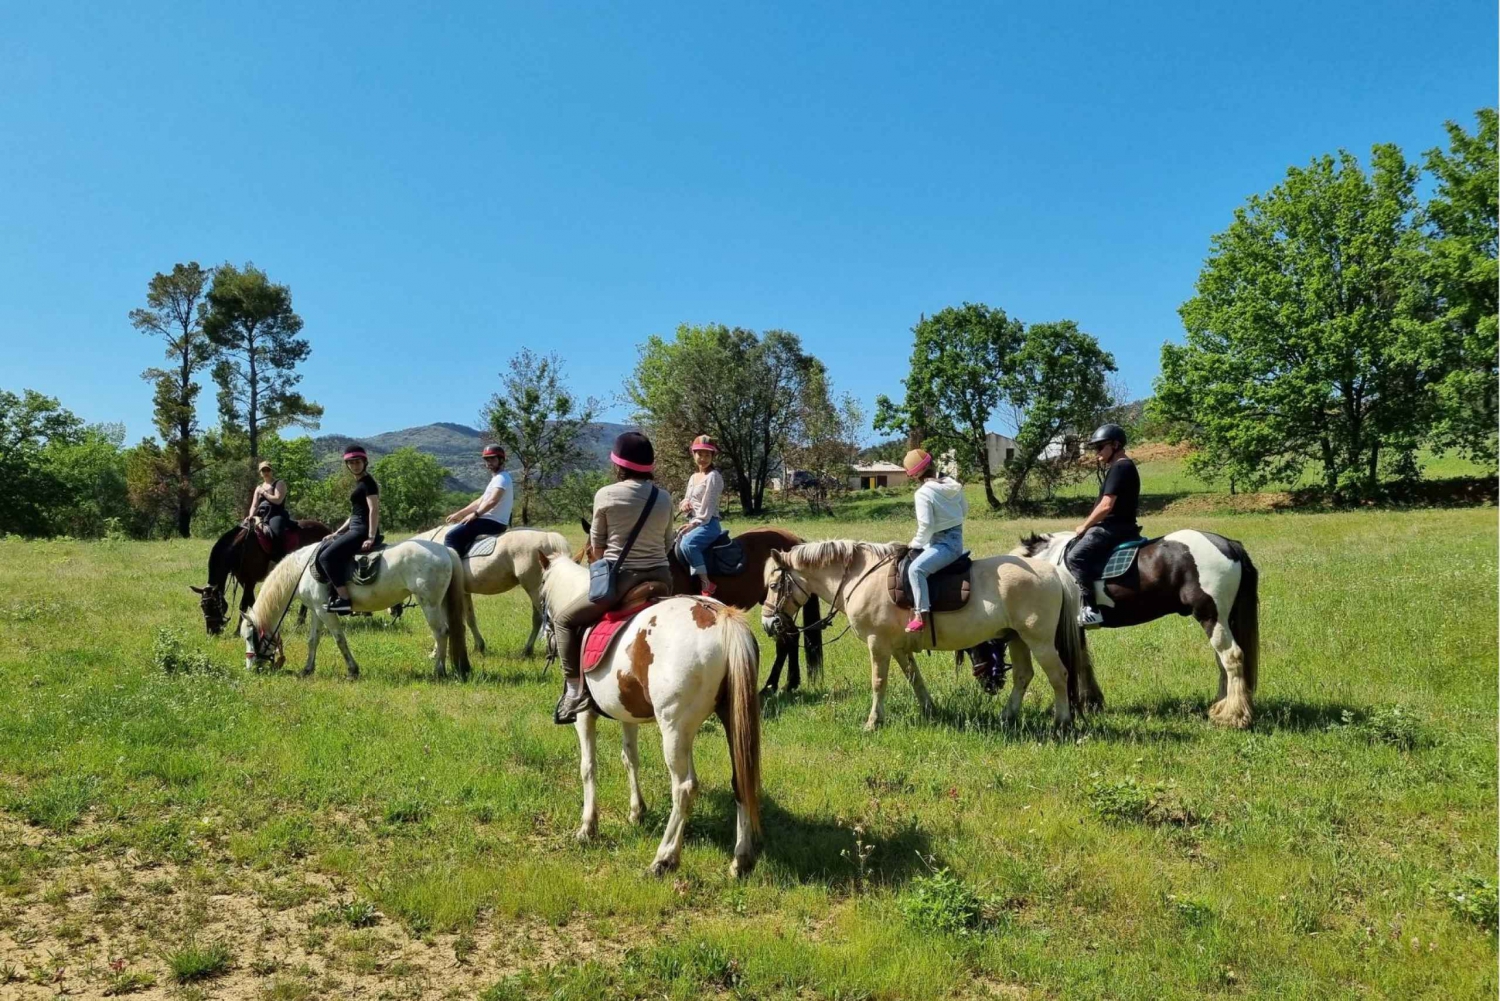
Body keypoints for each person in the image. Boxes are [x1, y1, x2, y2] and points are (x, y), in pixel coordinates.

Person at [553, 431, 674, 724]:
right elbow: (669, 543)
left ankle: (573, 691)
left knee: (564, 621)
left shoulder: (605, 495)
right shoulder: (664, 497)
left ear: (619, 466)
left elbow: (596, 546)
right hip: (663, 578)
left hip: (622, 581)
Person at [1065, 423, 1142, 629]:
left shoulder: (1120, 466)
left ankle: (1090, 609)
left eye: (1100, 447)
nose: (1097, 452)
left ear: (1115, 445)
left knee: (1076, 556)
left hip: (1112, 528)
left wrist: (1085, 525)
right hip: (1123, 526)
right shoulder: (1123, 466)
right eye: (1095, 448)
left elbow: (1106, 505)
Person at [902, 448, 968, 635]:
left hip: (942, 545)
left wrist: (914, 543)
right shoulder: (952, 485)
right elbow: (964, 511)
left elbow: (926, 525)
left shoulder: (923, 493)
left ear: (915, 475)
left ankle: (921, 616)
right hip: (957, 539)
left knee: (916, 569)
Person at [318, 445, 381, 615]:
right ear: (347, 465)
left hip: (361, 530)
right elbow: (354, 514)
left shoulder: (368, 483)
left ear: (365, 462)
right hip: (355, 526)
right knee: (326, 546)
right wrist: (337, 532)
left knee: (326, 557)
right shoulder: (359, 483)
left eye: (358, 462)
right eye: (351, 463)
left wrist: (371, 537)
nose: (355, 465)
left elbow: (374, 509)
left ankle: (344, 600)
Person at [676, 434, 724, 597]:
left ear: (712, 456)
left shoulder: (713, 477)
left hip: (708, 524)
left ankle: (706, 583)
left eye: (707, 454)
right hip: (694, 521)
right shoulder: (693, 477)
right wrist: (684, 504)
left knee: (688, 544)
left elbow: (708, 507)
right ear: (693, 454)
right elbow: (688, 498)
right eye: (700, 454)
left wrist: (693, 525)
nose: (703, 458)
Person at [443, 444, 513, 557]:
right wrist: (460, 513)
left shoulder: (501, 479)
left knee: (452, 536)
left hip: (492, 522)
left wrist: (475, 515)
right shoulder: (497, 478)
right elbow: (479, 501)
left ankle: (454, 570)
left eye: (493, 459)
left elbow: (493, 501)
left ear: (501, 460)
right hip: (490, 521)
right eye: (487, 459)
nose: (489, 462)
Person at [246, 460, 289, 550]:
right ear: (260, 473)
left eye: (268, 470)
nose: (266, 472)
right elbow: (254, 505)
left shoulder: (279, 483)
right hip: (261, 515)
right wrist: (250, 515)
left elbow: (278, 500)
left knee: (276, 533)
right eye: (263, 470)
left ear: (271, 471)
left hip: (276, 514)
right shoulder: (259, 488)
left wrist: (264, 493)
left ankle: (280, 556)